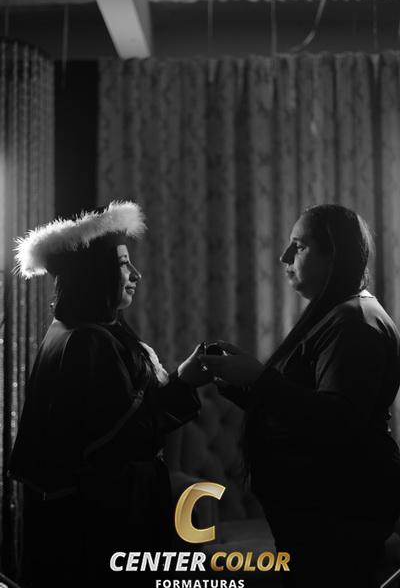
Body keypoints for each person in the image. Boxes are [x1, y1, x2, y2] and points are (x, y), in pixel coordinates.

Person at [9, 201, 209, 588]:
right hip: (103, 531)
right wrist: (184, 383)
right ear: (95, 272)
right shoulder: (89, 342)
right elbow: (122, 440)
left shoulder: (68, 330)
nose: (136, 274)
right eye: (123, 264)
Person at [199, 204, 400, 588]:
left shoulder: (354, 323)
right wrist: (238, 382)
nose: (284, 257)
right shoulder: (339, 315)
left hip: (338, 512)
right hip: (321, 512)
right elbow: (302, 406)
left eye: (299, 246)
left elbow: (337, 421)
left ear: (333, 255)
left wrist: (259, 378)